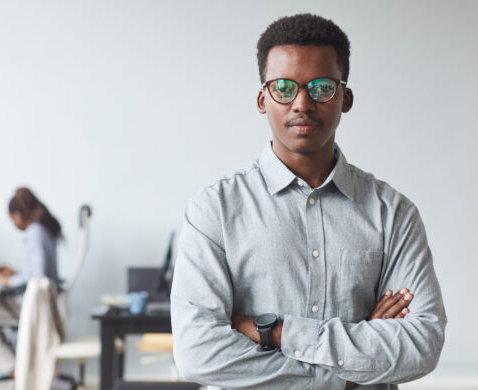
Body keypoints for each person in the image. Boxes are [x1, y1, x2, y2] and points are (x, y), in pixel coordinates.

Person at [170, 14, 446, 390]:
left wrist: (276, 332)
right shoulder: (214, 210)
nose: (302, 103)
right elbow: (197, 352)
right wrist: (346, 372)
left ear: (345, 98)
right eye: (284, 87)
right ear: (262, 99)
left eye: (321, 87)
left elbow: (421, 343)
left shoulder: (393, 213)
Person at [0, 187, 62, 379]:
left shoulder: (35, 232)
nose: (13, 223)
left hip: (32, 305)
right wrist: (16, 273)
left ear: (18, 214)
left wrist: (11, 280)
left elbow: (38, 277)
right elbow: (38, 272)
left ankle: (13, 367)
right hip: (42, 303)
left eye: (12, 218)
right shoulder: (43, 229)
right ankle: (15, 366)